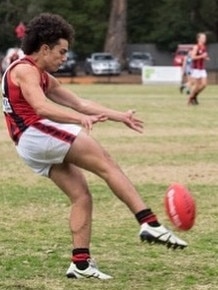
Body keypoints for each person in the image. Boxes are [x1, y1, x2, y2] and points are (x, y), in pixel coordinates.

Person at [1, 13, 187, 280]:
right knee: (107, 163)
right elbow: (41, 107)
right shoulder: (25, 70)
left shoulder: (41, 74)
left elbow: (81, 103)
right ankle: (149, 222)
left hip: (29, 145)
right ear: (45, 48)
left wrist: (119, 115)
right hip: (36, 133)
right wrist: (78, 119)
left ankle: (81, 263)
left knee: (81, 196)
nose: (64, 57)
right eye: (61, 51)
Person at [188, 33, 209, 105]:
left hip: (202, 68)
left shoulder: (204, 47)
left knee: (204, 84)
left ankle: (193, 96)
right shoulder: (196, 47)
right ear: (198, 39)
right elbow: (193, 57)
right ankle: (191, 99)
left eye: (205, 38)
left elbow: (203, 56)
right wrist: (202, 56)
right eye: (203, 38)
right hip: (196, 69)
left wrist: (205, 58)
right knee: (196, 85)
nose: (204, 39)